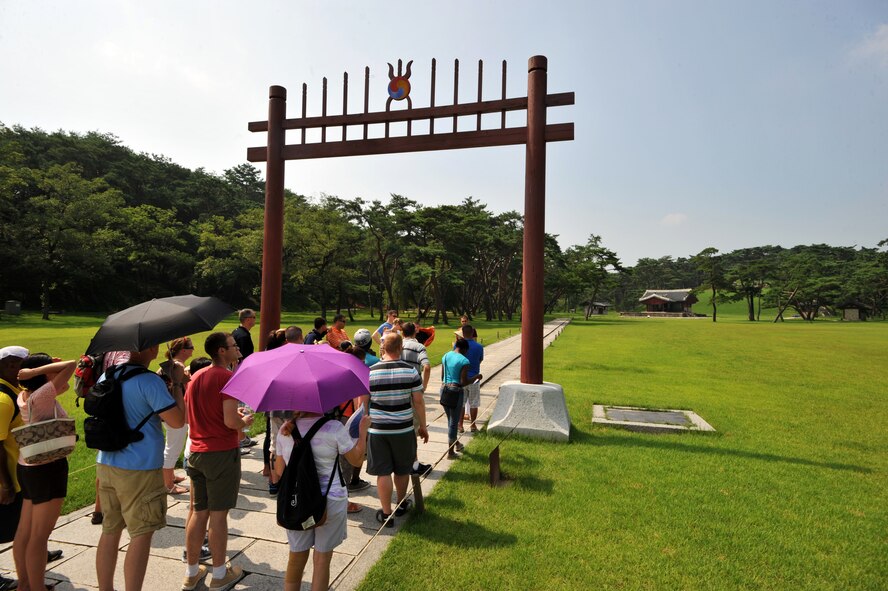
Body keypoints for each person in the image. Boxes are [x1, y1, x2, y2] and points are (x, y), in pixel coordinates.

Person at [95, 344, 185, 591]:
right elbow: (177, 421)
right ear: (152, 349)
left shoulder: (109, 373)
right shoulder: (148, 381)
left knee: (110, 530)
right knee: (141, 533)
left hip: (107, 462)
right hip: (140, 467)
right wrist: (176, 383)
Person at [182, 332, 253, 591]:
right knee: (219, 515)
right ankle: (220, 574)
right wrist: (243, 421)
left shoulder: (196, 376)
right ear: (221, 351)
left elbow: (196, 414)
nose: (238, 349)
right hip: (220, 452)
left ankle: (191, 573)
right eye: (234, 346)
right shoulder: (225, 376)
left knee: (198, 513)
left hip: (196, 451)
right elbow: (229, 421)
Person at [274, 410, 369, 591]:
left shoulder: (285, 430)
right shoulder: (334, 428)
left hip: (297, 502)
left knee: (296, 558)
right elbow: (356, 461)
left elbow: (279, 470)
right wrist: (363, 431)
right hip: (330, 501)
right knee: (322, 560)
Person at [12, 355, 75, 591]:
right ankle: (37, 588)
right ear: (41, 374)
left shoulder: (25, 395)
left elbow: (65, 382)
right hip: (48, 468)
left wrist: (40, 371)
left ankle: (25, 585)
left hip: (27, 466)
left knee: (25, 531)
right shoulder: (42, 396)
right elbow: (71, 365)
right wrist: (36, 371)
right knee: (39, 536)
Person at [361, 334, 428, 527]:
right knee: (402, 469)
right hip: (403, 429)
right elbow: (418, 401)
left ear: (383, 349)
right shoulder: (410, 372)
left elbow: (362, 404)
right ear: (400, 347)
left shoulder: (369, 372)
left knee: (383, 472)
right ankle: (400, 503)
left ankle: (386, 513)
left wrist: (363, 430)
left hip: (378, 429)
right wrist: (422, 426)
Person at [158, 338, 194, 495]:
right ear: (184, 350)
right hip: (175, 411)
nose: (193, 349)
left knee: (172, 443)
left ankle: (170, 476)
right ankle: (168, 484)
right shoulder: (178, 366)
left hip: (167, 410)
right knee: (173, 446)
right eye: (191, 347)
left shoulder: (170, 364)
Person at [399, 323, 433, 477]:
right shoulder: (418, 347)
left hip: (398, 391)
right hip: (413, 392)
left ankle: (409, 461)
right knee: (413, 429)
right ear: (415, 332)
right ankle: (413, 465)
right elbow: (426, 367)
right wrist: (423, 386)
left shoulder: (397, 345)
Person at [441, 339, 481, 458]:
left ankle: (456, 443)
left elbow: (442, 376)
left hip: (444, 389)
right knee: (454, 423)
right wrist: (476, 377)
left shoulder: (446, 355)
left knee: (450, 420)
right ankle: (450, 452)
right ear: (465, 349)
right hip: (456, 391)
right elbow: (464, 382)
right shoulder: (464, 361)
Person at [460, 325, 485, 433]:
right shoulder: (479, 347)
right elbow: (480, 360)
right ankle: (473, 425)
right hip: (474, 378)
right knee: (474, 403)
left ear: (462, 333)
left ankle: (460, 425)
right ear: (472, 333)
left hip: (461, 378)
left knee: (461, 403)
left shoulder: (458, 345)